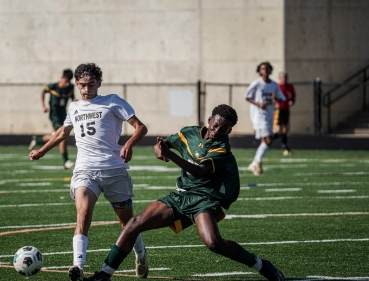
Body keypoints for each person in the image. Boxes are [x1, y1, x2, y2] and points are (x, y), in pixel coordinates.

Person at [83, 104, 285, 281]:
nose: (217, 131)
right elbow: (163, 145)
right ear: (209, 120)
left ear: (229, 131)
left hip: (206, 199)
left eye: (224, 129)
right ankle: (104, 274)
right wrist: (160, 150)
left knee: (214, 243)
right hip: (181, 195)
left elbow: (200, 170)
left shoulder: (222, 148)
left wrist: (169, 154)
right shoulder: (189, 133)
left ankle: (261, 265)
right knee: (134, 224)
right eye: (215, 125)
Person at [29, 63, 149, 281]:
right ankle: (78, 266)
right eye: (82, 85)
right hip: (85, 171)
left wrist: (129, 144)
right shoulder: (74, 107)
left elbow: (141, 127)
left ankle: (140, 254)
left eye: (91, 85)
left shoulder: (113, 101)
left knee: (127, 224)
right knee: (83, 214)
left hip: (113, 170)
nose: (86, 89)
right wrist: (42, 151)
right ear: (76, 84)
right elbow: (62, 133)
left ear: (99, 83)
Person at [28, 69, 76, 169]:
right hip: (54, 115)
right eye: (65, 81)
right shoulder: (53, 86)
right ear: (61, 78)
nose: (67, 84)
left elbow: (72, 98)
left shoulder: (70, 88)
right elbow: (43, 92)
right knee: (62, 135)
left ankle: (38, 140)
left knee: (56, 136)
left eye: (68, 82)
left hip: (64, 114)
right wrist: (43, 106)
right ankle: (65, 161)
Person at [245, 62, 285, 176]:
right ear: (259, 71)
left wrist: (276, 98)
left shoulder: (274, 85)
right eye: (263, 68)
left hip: (269, 115)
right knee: (269, 140)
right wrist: (258, 104)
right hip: (259, 115)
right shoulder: (257, 83)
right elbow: (247, 96)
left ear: (270, 70)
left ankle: (256, 164)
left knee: (264, 140)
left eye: (267, 68)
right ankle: (255, 162)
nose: (265, 70)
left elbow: (282, 98)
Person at [276, 71, 296, 156]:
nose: (284, 79)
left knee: (284, 129)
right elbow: (273, 96)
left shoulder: (290, 87)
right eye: (282, 77)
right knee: (282, 129)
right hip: (278, 110)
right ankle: (284, 146)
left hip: (286, 110)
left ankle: (283, 145)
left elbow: (293, 96)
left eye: (285, 77)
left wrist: (292, 101)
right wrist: (276, 103)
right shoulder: (277, 86)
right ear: (280, 78)